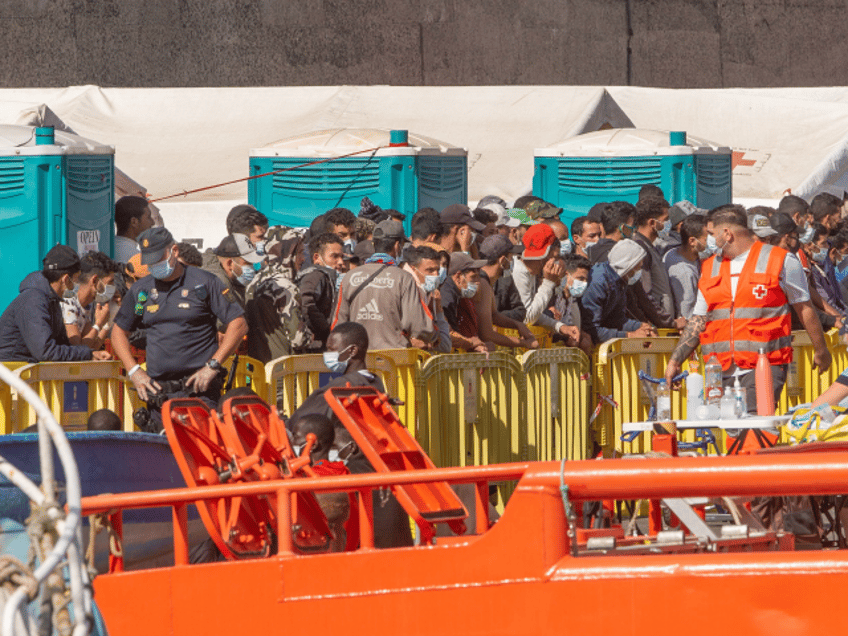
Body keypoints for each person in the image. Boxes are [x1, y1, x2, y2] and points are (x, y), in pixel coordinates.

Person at [664, 205, 831, 416]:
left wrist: (821, 349)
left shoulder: (780, 260)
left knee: (754, 430)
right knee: (732, 435)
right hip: (720, 368)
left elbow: (804, 308)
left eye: (711, 234)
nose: (708, 241)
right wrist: (675, 360)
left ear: (727, 234)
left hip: (764, 365)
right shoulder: (709, 266)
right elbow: (699, 318)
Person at [111, 228, 248, 432]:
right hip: (159, 396)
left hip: (199, 393)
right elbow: (119, 331)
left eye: (159, 259)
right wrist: (134, 371)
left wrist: (213, 365)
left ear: (174, 251)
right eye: (150, 261)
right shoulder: (142, 292)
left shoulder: (203, 283)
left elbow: (238, 323)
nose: (154, 265)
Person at [332, 219, 436, 350]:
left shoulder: (349, 277)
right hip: (394, 362)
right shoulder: (404, 278)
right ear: (397, 246)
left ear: (374, 244)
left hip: (358, 360)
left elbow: (337, 324)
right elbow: (419, 326)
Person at [0, 245, 111, 362]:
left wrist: (91, 353)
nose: (77, 286)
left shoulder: (51, 299)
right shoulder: (33, 301)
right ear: (66, 279)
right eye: (76, 280)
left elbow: (63, 344)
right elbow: (46, 351)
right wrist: (88, 355)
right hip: (11, 373)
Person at [245, 227, 313, 363]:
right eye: (299, 253)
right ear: (288, 255)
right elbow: (298, 340)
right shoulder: (286, 287)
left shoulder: (254, 282)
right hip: (283, 373)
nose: (303, 258)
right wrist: (310, 335)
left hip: (257, 369)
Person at [290, 413, 354, 552]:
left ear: (313, 444)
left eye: (295, 437)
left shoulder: (313, 479)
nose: (292, 443)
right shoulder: (343, 472)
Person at [579, 239, 655, 344]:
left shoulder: (619, 281)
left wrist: (639, 326)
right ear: (627, 265)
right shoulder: (599, 282)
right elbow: (591, 329)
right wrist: (629, 335)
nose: (639, 271)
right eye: (636, 268)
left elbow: (616, 319)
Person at [512, 224, 574, 339]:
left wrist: (560, 327)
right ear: (547, 254)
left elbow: (533, 312)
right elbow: (527, 317)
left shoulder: (532, 273)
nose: (555, 262)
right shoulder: (519, 272)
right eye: (555, 256)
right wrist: (548, 283)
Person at [631, 196, 683, 330]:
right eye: (665, 220)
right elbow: (645, 294)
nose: (667, 225)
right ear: (652, 223)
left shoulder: (650, 247)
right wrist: (668, 322)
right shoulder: (641, 249)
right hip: (656, 328)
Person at [200, 234, 263, 331]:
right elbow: (225, 327)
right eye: (247, 263)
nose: (251, 268)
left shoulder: (225, 275)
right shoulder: (219, 282)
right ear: (230, 263)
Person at [61, 251, 120, 349]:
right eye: (110, 282)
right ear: (94, 280)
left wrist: (107, 323)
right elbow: (78, 349)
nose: (113, 287)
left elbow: (92, 346)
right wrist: (99, 324)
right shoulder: (69, 302)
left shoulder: (86, 304)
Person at [297, 233, 345, 351]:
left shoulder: (328, 277)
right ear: (317, 258)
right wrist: (326, 330)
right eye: (334, 256)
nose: (340, 262)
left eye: (341, 257)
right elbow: (305, 302)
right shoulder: (316, 276)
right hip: (316, 346)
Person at [402, 245, 451, 353]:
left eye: (438, 270)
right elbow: (444, 345)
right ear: (414, 268)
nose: (436, 275)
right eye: (430, 270)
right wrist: (438, 312)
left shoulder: (428, 292)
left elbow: (444, 345)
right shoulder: (409, 291)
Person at [663, 215, 709, 320]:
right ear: (692, 241)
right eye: (707, 239)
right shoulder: (685, 273)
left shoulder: (672, 253)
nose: (711, 243)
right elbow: (686, 314)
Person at [550, 254, 593, 355]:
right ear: (566, 275)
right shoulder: (553, 296)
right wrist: (566, 336)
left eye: (586, 280)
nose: (584, 283)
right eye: (580, 279)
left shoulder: (571, 299)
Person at [481, 235, 525, 322]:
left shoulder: (506, 279)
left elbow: (520, 310)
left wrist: (497, 316)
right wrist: (493, 316)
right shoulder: (476, 282)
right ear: (503, 260)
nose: (512, 261)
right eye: (511, 257)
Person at [114, 196, 154, 263]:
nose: (153, 222)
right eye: (149, 217)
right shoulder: (137, 260)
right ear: (134, 222)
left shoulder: (105, 249)